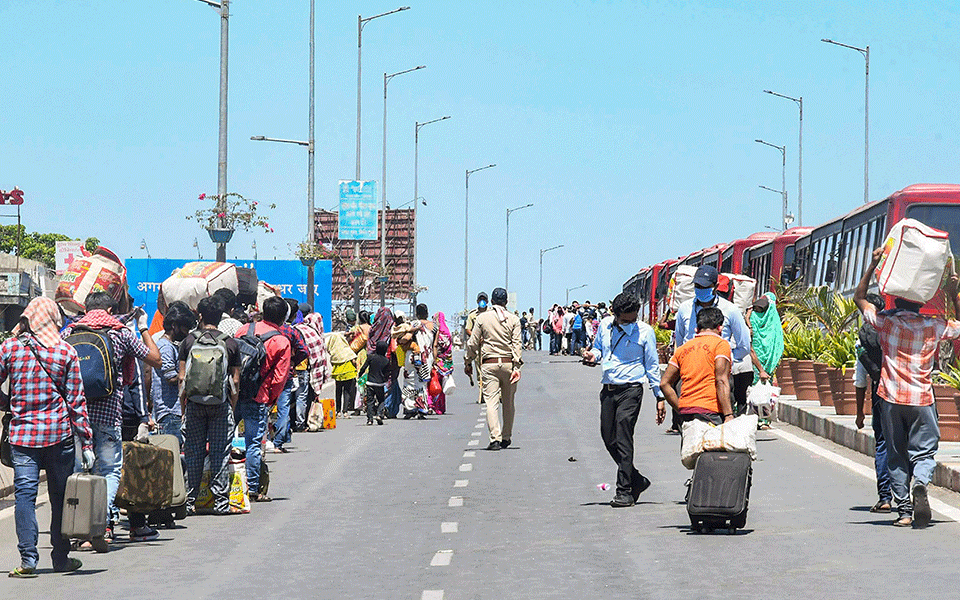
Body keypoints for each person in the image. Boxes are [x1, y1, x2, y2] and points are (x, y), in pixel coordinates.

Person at [854, 247, 960, 528]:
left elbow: (859, 298)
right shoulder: (933, 326)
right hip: (922, 398)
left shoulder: (886, 323)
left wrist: (873, 264)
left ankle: (903, 512)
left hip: (889, 397)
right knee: (924, 452)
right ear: (920, 303)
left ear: (897, 300)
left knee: (896, 453)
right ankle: (921, 483)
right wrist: (951, 294)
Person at [2, 297, 94, 577]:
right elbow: (77, 402)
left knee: (25, 497)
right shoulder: (66, 352)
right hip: (59, 437)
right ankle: (61, 558)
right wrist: (87, 442)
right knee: (60, 498)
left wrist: (7, 403)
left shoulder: (10, 348)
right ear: (53, 319)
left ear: (28, 319)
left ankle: (28, 561)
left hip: (23, 438)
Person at [61, 291, 161, 548]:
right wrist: (143, 328)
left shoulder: (69, 333)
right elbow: (155, 360)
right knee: (109, 471)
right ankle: (99, 526)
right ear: (109, 310)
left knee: (77, 472)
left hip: (75, 415)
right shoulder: (120, 334)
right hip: (108, 416)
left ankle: (77, 529)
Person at [581, 292, 663, 508]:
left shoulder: (644, 332)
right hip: (608, 389)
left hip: (631, 390)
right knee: (609, 438)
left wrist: (659, 395)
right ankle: (637, 480)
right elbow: (599, 350)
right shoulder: (606, 326)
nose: (629, 324)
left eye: (633, 319)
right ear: (615, 315)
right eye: (625, 320)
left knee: (624, 436)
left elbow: (652, 365)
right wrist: (592, 356)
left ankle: (624, 491)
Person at [179, 295, 241, 515]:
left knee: (193, 452)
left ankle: (189, 501)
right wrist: (231, 407)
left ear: (200, 314)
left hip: (194, 404)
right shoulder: (230, 343)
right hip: (221, 404)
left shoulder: (188, 342)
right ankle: (221, 503)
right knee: (220, 454)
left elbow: (182, 379)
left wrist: (184, 408)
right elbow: (235, 380)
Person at [672, 265, 751, 430]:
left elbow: (743, 345)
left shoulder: (731, 310)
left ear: (715, 287)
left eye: (705, 287)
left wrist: (725, 360)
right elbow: (680, 342)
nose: (700, 290)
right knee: (689, 429)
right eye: (697, 286)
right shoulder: (685, 310)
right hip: (690, 376)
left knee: (719, 426)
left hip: (719, 376)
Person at [235, 296, 291, 502]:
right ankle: (251, 489)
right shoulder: (281, 341)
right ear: (283, 317)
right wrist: (270, 400)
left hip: (234, 392)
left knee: (222, 439)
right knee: (253, 443)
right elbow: (279, 378)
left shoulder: (244, 330)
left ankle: (220, 482)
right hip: (258, 396)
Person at [465, 287, 522, 451]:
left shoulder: (482, 318)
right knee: (509, 402)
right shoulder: (514, 319)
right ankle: (506, 437)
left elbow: (473, 343)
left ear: (491, 301)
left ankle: (495, 438)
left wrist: (468, 361)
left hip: (489, 365)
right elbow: (517, 344)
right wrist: (517, 366)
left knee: (491, 402)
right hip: (509, 364)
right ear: (506, 302)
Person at [660, 307, 734, 426]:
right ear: (720, 328)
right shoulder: (720, 345)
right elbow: (721, 380)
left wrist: (680, 408)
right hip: (710, 412)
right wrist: (728, 415)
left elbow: (664, 383)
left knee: (690, 444)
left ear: (697, 329)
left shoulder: (682, 349)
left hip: (686, 412)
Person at [854, 293, 892, 514]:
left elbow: (860, 381)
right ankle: (908, 494)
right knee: (906, 443)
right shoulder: (893, 330)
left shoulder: (862, 340)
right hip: (904, 392)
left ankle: (885, 497)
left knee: (883, 443)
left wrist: (860, 413)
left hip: (880, 393)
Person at [151, 301, 195, 443]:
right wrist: (192, 376)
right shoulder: (165, 347)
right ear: (174, 326)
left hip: (173, 411)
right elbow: (170, 378)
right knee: (172, 453)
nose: (186, 333)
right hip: (169, 412)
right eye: (184, 328)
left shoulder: (170, 346)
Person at [270, 299, 309, 453]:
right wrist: (292, 362)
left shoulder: (264, 329)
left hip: (266, 374)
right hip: (285, 374)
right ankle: (278, 442)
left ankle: (263, 439)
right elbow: (304, 351)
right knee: (283, 408)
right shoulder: (292, 332)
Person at [293, 304, 331, 431]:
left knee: (288, 398)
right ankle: (301, 423)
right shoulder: (311, 332)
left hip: (290, 369)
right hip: (303, 369)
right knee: (301, 397)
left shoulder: (293, 329)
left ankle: (290, 423)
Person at [326, 329, 358, 418]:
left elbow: (332, 362)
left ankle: (338, 411)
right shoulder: (346, 349)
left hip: (337, 373)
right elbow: (354, 361)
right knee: (347, 391)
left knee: (338, 391)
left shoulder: (334, 353)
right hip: (348, 372)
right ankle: (345, 411)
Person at [465, 292, 489, 403]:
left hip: (490, 344)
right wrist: (475, 337)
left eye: (484, 299)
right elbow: (468, 329)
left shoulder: (492, 313)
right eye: (480, 299)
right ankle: (482, 394)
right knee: (480, 370)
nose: (482, 301)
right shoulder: (472, 315)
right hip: (478, 346)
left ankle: (496, 394)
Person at [358, 341, 389, 425]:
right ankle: (379, 414)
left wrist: (359, 375)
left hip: (370, 383)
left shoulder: (371, 357)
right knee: (381, 400)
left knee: (370, 401)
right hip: (380, 384)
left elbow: (364, 367)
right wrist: (385, 380)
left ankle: (370, 419)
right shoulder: (386, 360)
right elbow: (387, 373)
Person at [430, 312, 454, 415]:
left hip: (437, 361)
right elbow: (449, 348)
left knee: (434, 383)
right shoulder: (448, 333)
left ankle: (432, 405)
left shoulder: (436, 332)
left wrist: (433, 360)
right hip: (446, 362)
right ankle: (441, 408)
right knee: (442, 386)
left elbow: (434, 346)